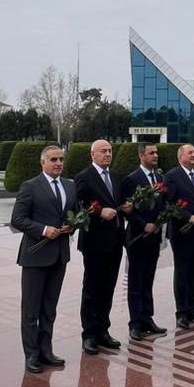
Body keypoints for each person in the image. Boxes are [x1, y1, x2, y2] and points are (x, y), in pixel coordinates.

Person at [10, 144, 76, 373]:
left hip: (59, 256)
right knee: (31, 309)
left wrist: (72, 225)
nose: (58, 163)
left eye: (61, 159)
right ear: (43, 162)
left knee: (49, 308)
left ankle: (46, 350)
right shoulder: (30, 186)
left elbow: (74, 214)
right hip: (35, 257)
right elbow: (17, 219)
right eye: (53, 159)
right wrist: (44, 230)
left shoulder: (69, 185)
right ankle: (31, 354)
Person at [75, 139, 131, 354]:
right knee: (92, 288)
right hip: (95, 242)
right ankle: (89, 334)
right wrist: (99, 212)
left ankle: (103, 330)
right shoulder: (84, 177)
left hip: (115, 240)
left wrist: (126, 207)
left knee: (108, 287)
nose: (108, 154)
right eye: (103, 151)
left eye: (110, 151)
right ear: (93, 154)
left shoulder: (116, 177)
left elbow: (119, 203)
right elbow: (78, 206)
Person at [121, 142, 168, 341]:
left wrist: (160, 220)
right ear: (142, 156)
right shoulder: (132, 179)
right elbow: (127, 209)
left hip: (154, 237)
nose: (155, 156)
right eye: (151, 153)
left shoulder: (160, 178)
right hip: (137, 237)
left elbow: (163, 204)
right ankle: (135, 323)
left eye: (156, 152)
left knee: (148, 279)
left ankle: (147, 318)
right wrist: (143, 224)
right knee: (136, 281)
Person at [163, 143, 194, 330]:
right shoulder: (172, 176)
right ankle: (182, 312)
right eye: (190, 152)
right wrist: (186, 216)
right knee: (182, 272)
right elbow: (168, 203)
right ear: (180, 156)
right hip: (181, 231)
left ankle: (193, 308)